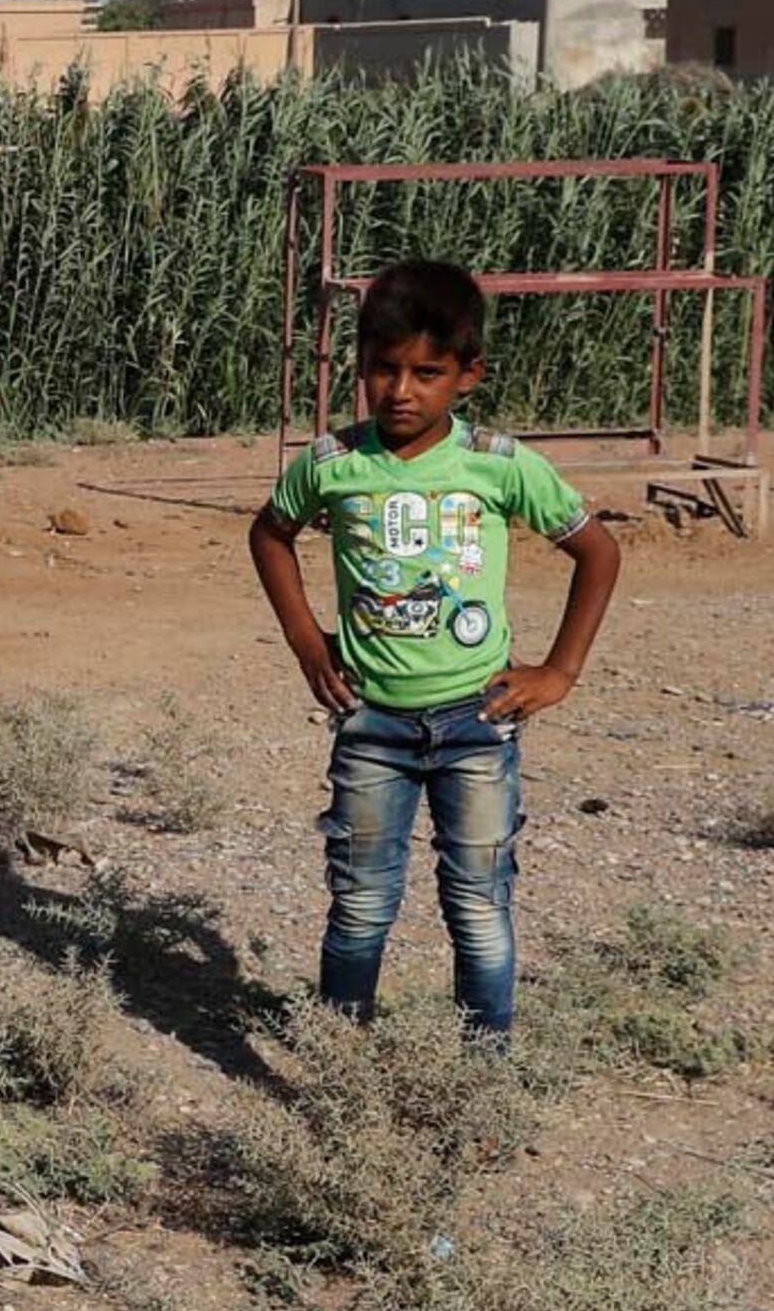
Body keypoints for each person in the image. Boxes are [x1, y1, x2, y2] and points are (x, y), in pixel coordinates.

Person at [245, 257, 623, 1040]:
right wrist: (306, 640)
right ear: (360, 366)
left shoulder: (497, 463)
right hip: (371, 724)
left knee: (480, 906)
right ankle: (339, 1071)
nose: (402, 390)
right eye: (384, 369)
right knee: (360, 906)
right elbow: (270, 533)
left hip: (477, 724)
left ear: (468, 374)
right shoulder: (332, 463)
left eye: (427, 371)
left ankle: (479, 1085)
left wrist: (560, 670)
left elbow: (598, 552)